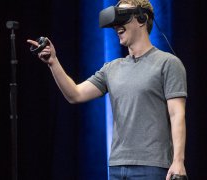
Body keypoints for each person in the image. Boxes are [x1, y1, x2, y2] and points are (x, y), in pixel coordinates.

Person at [27, 0, 187, 179]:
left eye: (123, 17)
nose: (116, 25)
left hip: (151, 165)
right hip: (117, 167)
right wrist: (53, 62)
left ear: (142, 19)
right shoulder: (111, 68)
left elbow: (177, 114)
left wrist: (178, 161)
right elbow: (75, 94)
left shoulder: (168, 63)